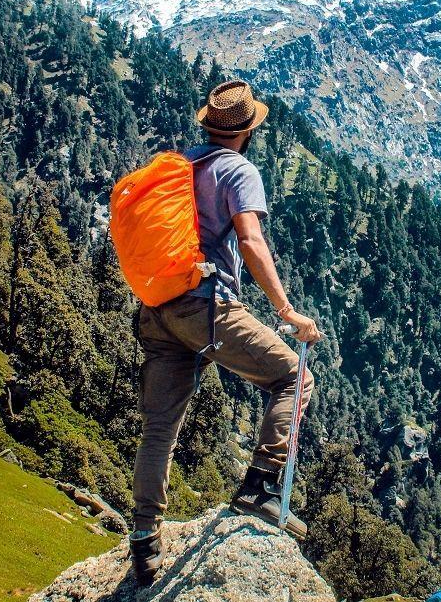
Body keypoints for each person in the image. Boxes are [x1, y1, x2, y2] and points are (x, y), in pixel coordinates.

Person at [128, 79, 321, 585]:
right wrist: (287, 311)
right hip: (206, 307)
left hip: (159, 309)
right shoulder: (239, 169)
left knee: (158, 429)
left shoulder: (184, 166)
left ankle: (145, 542)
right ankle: (259, 488)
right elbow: (251, 240)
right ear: (247, 131)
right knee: (291, 379)